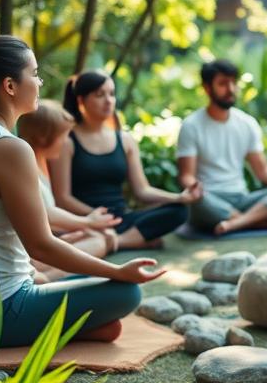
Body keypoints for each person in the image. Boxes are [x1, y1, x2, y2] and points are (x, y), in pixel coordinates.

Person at [0, 35, 164, 348]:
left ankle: (55, 325)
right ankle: (48, 325)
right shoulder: (9, 148)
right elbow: (41, 246)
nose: (40, 80)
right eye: (34, 74)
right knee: (126, 291)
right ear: (10, 86)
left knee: (103, 314)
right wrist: (118, 271)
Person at [51, 71, 200, 250]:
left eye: (112, 94)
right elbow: (62, 198)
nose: (108, 100)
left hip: (121, 218)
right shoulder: (67, 142)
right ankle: (132, 240)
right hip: (85, 220)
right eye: (100, 95)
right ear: (81, 100)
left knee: (179, 211)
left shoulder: (125, 140)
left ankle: (116, 242)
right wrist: (92, 217)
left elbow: (142, 190)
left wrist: (178, 197)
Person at [177, 59, 267, 235]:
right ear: (207, 88)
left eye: (233, 83)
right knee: (197, 201)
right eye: (223, 84)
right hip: (210, 199)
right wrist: (194, 188)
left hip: (242, 198)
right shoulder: (191, 125)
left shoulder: (247, 123)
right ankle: (256, 221)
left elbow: (263, 171)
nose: (231, 89)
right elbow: (186, 176)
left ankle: (235, 223)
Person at [17, 100, 121, 273]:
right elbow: (44, 214)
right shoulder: (25, 168)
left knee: (99, 237)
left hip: (40, 244)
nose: (66, 141)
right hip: (29, 254)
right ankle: (45, 280)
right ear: (43, 136)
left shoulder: (40, 164)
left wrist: (83, 227)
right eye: (63, 136)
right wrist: (86, 222)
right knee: (98, 241)